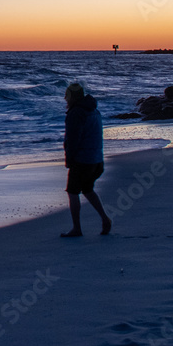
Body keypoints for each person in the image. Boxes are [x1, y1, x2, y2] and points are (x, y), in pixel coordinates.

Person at [61, 83, 112, 237]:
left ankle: (77, 228)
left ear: (71, 97)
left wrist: (69, 158)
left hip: (82, 160)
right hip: (97, 159)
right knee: (88, 189)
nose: (65, 99)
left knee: (72, 192)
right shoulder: (95, 111)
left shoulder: (76, 113)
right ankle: (105, 218)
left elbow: (73, 139)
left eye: (67, 96)